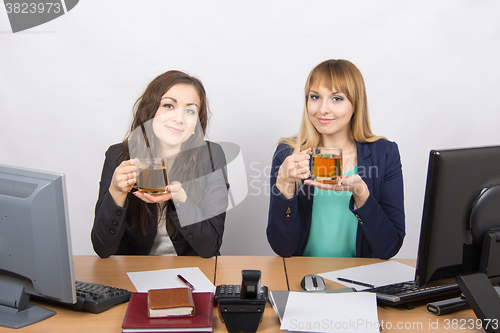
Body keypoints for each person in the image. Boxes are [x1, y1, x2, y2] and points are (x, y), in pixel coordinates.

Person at [266, 59, 405, 259]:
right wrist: (284, 185)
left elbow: (389, 247)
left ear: (356, 104)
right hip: (304, 279)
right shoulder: (289, 154)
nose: (323, 109)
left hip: (360, 279)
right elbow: (283, 249)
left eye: (337, 98)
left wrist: (361, 193)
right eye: (315, 97)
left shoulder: (384, 153)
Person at [92, 70, 229, 258]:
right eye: (168, 105)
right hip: (135, 271)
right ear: (150, 111)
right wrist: (116, 192)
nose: (179, 118)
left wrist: (180, 199)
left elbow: (210, 247)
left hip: (191, 270)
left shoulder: (211, 156)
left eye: (190, 110)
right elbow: (102, 248)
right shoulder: (119, 156)